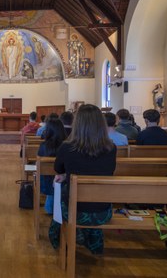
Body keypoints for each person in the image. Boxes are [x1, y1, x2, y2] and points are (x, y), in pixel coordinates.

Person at [49, 104, 116, 254]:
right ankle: (91, 240)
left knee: (60, 186)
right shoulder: (111, 148)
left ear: (77, 123)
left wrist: (65, 175)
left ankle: (62, 239)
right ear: (101, 123)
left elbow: (58, 169)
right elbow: (109, 171)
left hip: (74, 210)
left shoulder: (67, 147)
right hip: (103, 211)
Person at [37, 119, 67, 214]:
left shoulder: (43, 145)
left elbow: (38, 163)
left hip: (46, 183)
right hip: (64, 182)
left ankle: (51, 208)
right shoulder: (67, 146)